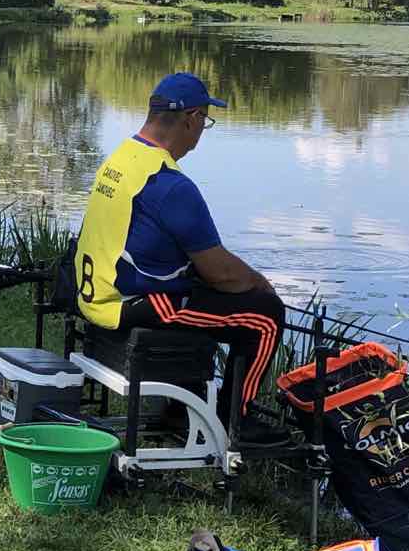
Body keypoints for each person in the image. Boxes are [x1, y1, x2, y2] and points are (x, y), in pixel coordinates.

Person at [73, 71, 289, 447]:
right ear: (190, 119)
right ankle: (237, 422)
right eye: (205, 120)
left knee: (197, 295)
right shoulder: (170, 185)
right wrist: (258, 281)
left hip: (97, 297)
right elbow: (220, 272)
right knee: (265, 315)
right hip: (129, 304)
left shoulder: (121, 159)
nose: (203, 130)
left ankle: (180, 409)